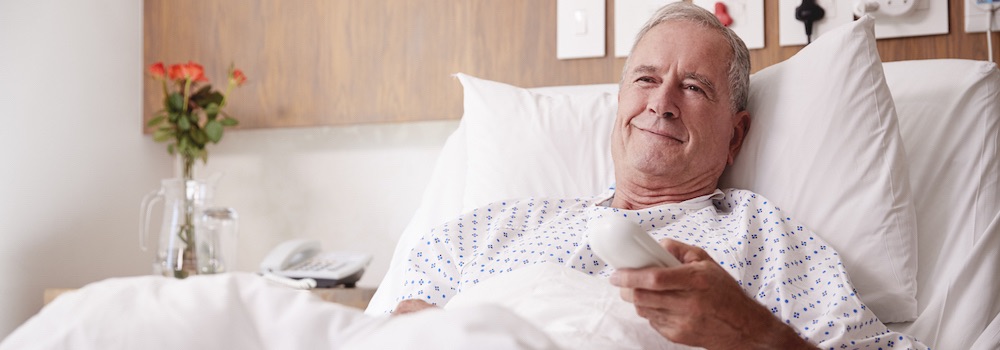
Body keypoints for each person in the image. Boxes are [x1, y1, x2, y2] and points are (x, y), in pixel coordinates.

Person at [389, 3, 927, 349]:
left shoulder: (762, 239)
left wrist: (755, 334)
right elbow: (398, 322)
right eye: (646, 79)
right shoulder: (497, 226)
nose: (662, 104)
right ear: (620, 104)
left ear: (735, 137)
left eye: (693, 87)